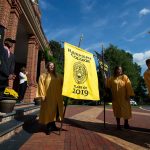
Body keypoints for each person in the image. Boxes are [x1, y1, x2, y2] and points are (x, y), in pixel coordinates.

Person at [36, 62, 64, 134]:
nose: (52, 67)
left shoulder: (59, 76)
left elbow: (64, 84)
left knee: (56, 112)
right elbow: (40, 85)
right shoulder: (43, 76)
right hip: (48, 97)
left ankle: (53, 125)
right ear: (47, 67)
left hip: (57, 97)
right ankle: (48, 127)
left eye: (53, 66)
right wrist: (42, 95)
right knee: (48, 111)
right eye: (50, 66)